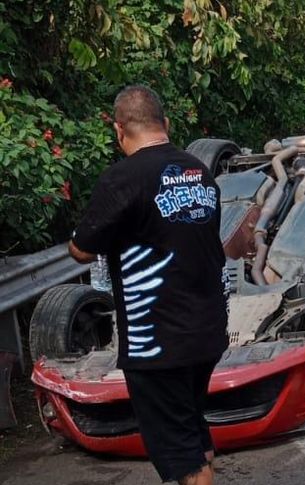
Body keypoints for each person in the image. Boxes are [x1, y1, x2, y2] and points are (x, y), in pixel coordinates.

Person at [69, 85, 228, 485]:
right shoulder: (198, 171)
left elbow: (82, 250)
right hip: (206, 330)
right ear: (166, 125)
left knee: (180, 452)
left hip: (158, 341)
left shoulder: (122, 178)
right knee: (191, 428)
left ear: (119, 130)